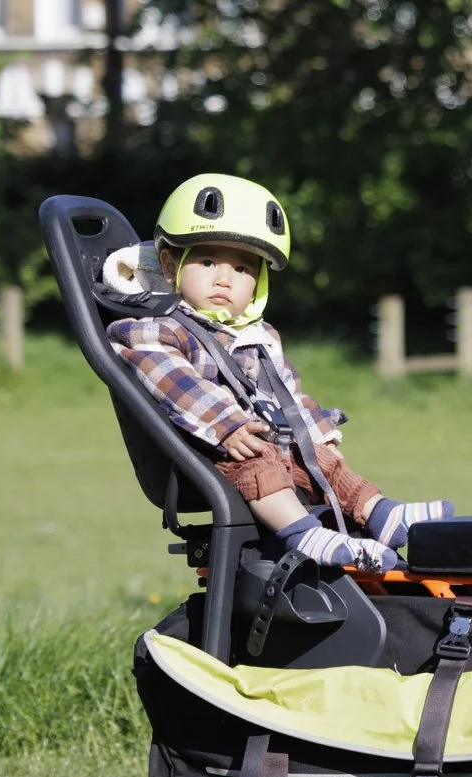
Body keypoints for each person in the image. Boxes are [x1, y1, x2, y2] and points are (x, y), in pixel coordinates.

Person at [110, 173, 451, 575]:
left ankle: (380, 513)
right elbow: (177, 383)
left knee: (321, 459)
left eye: (242, 268)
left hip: (266, 440)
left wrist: (317, 434)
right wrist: (228, 425)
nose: (224, 279)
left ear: (258, 281)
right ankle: (304, 534)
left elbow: (287, 393)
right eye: (207, 262)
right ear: (170, 266)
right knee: (261, 461)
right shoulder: (154, 331)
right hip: (210, 451)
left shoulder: (257, 337)